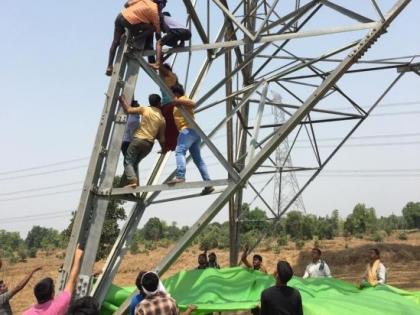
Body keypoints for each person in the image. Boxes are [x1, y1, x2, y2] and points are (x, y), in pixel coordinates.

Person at [166, 84, 214, 195]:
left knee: (179, 151)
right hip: (194, 132)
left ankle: (180, 176)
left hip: (187, 131)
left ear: (175, 93)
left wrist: (179, 101)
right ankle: (208, 183)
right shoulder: (177, 103)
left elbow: (193, 104)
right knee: (198, 159)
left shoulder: (182, 99)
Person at [119, 94, 166, 187]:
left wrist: (122, 99)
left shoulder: (145, 109)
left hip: (138, 140)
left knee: (128, 161)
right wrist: (163, 149)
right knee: (134, 163)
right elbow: (161, 138)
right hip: (149, 145)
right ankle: (129, 184)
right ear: (159, 103)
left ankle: (133, 181)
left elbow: (128, 109)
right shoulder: (162, 118)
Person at [106, 0, 164, 76]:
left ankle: (109, 66)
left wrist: (137, 10)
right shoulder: (154, 11)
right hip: (130, 21)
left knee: (115, 42)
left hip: (120, 16)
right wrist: (159, 42)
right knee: (152, 28)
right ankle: (134, 40)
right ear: (160, 4)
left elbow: (126, 4)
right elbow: (157, 30)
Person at [22, 245, 84, 315]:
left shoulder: (26, 313)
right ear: (52, 293)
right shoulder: (58, 305)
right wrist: (77, 257)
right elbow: (71, 281)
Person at [155, 63, 179, 152]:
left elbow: (159, 65)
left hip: (170, 104)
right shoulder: (163, 79)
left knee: (169, 127)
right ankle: (167, 146)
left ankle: (169, 146)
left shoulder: (172, 77)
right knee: (164, 128)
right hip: (165, 105)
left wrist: (159, 62)